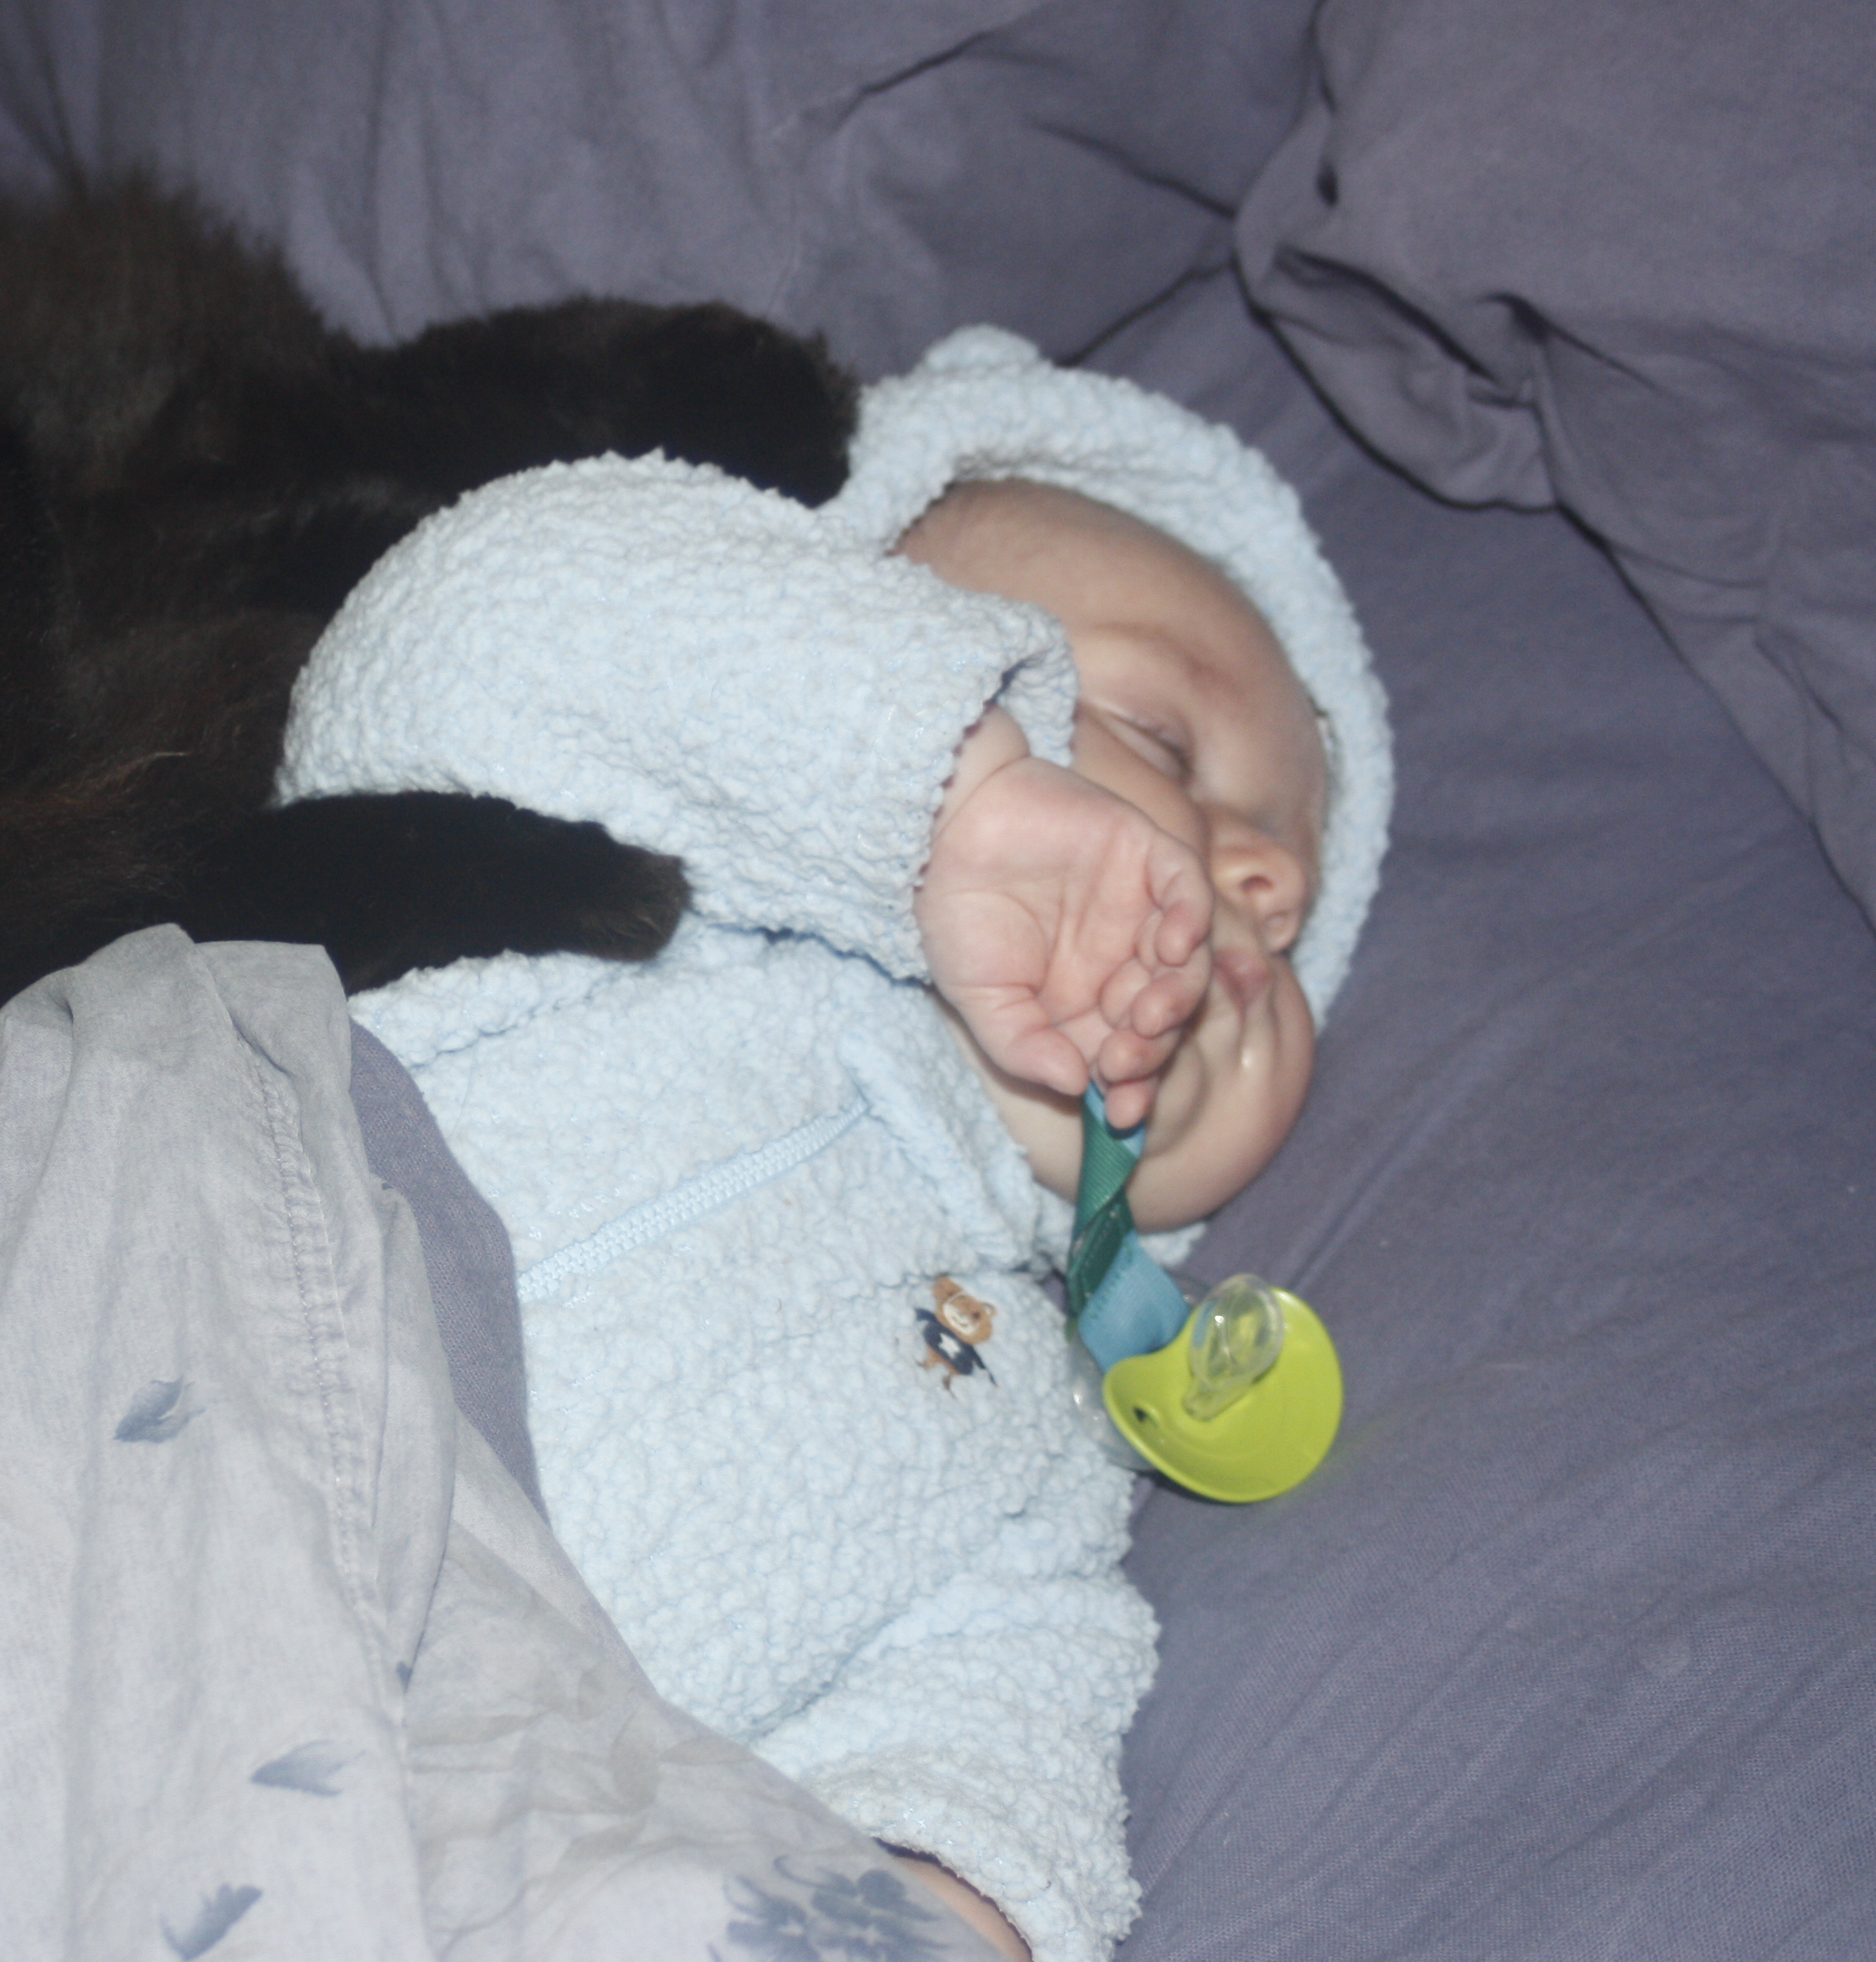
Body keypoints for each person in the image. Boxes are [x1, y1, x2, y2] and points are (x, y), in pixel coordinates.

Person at [275, 326, 1393, 1962]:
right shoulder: (609, 879)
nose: (1259, 886)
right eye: (1160, 741)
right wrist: (947, 790)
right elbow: (486, 612)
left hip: (364, 1848)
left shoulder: (1039, 1444)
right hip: (134, 1400)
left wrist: (945, 1898)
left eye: (1287, 916)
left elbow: (996, 1705)